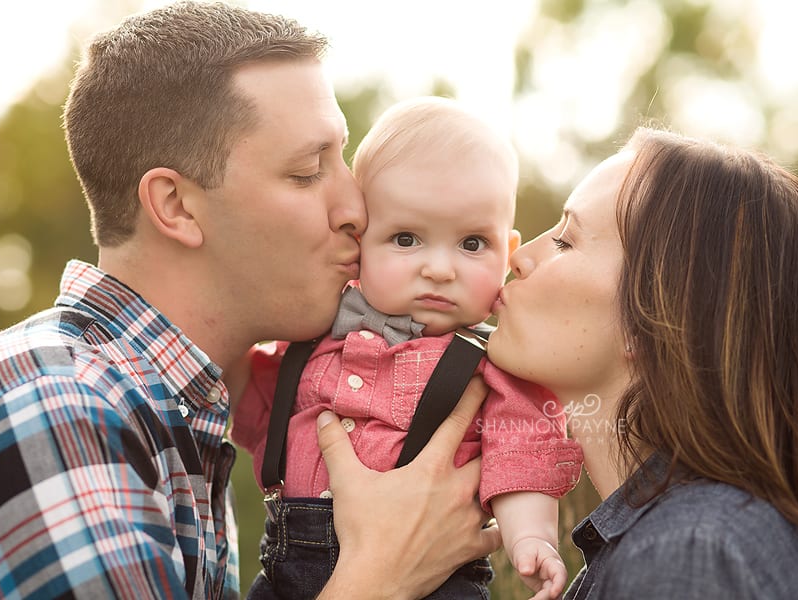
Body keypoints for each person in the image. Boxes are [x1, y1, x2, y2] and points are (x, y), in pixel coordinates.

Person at [0, 3, 501, 599]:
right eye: (308, 171)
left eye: (342, 157)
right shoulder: (56, 404)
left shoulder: (173, 417)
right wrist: (381, 574)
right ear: (176, 207)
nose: (356, 209)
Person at [233, 96, 583, 600]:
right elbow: (249, 398)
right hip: (286, 573)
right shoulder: (306, 341)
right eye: (405, 239)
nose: (440, 269)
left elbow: (521, 445)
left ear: (507, 254)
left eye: (471, 244)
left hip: (436, 581)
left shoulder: (489, 366)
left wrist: (530, 536)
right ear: (359, 246)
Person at [483, 126, 798, 598]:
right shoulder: (686, 541)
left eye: (565, 241)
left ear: (653, 315)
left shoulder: (688, 554)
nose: (520, 257)